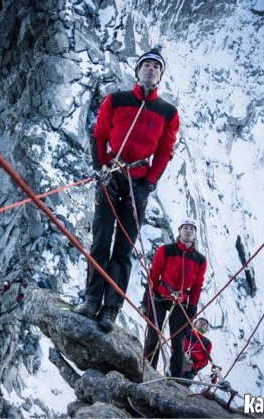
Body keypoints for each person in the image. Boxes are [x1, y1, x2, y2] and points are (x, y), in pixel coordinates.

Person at [76, 46, 180, 333]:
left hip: (138, 182)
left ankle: (111, 309)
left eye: (156, 67)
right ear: (137, 72)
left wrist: (150, 183)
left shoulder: (168, 112)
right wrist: (100, 170)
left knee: (123, 248)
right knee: (100, 240)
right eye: (146, 65)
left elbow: (164, 151)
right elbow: (99, 135)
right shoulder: (116, 100)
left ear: (160, 76)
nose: (150, 69)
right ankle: (92, 298)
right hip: (112, 175)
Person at [142, 217, 207, 379]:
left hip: (180, 303)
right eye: (185, 227)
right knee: (153, 337)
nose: (188, 231)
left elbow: (197, 287)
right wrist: (147, 300)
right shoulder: (166, 250)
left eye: (192, 229)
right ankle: (146, 372)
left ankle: (176, 377)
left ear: (195, 234)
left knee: (178, 342)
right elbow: (154, 275)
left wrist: (191, 311)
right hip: (160, 298)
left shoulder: (200, 260)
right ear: (179, 231)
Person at [182, 317, 212, 386]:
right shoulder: (186, 333)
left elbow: (205, 360)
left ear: (206, 329)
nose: (202, 324)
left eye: (205, 324)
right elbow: (176, 345)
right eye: (201, 322)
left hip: (192, 369)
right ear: (195, 323)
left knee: (185, 383)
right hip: (179, 360)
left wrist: (193, 367)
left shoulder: (207, 343)